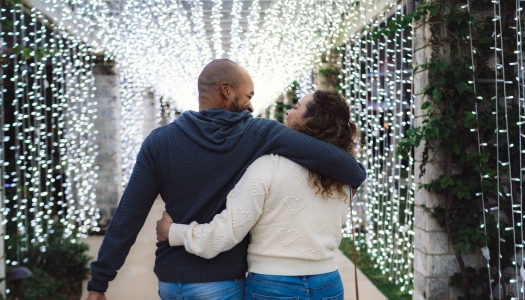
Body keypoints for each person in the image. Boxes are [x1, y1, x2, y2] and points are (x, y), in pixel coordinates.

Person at [87, 59, 367, 300]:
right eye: (248, 95)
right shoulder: (259, 134)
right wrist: (355, 174)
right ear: (226, 90)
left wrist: (99, 283)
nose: (252, 105)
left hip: (171, 279)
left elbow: (128, 216)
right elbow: (347, 168)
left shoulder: (159, 141)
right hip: (224, 280)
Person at [156, 90, 359, 300]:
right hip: (328, 284)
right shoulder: (343, 177)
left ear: (313, 121)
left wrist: (173, 232)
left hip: (274, 286)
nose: (288, 112)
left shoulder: (269, 165)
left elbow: (225, 234)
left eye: (297, 107)